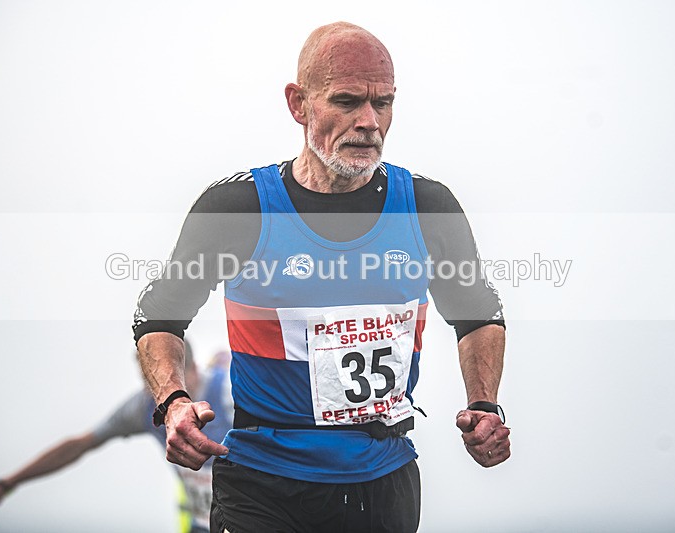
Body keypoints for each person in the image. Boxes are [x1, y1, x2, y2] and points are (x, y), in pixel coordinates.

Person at [132, 21, 511, 533]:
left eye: (383, 103)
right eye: (348, 101)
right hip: (263, 481)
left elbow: (478, 313)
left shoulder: (426, 207)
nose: (369, 122)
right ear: (298, 103)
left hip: (382, 477)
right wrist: (173, 402)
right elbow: (159, 314)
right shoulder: (240, 208)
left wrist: (483, 403)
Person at [0, 344, 232, 533]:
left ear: (195, 369)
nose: (164, 398)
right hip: (202, 525)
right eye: (152, 385)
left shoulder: (227, 394)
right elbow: (80, 445)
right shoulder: (146, 408)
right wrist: (6, 484)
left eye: (177, 383)